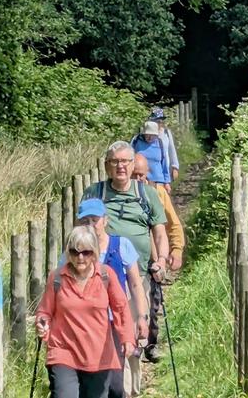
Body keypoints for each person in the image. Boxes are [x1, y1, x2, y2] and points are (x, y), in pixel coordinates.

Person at [82, 141, 169, 397]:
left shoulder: (147, 195)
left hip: (135, 275)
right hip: (95, 277)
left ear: (133, 165)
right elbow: (80, 230)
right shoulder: (94, 193)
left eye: (125, 161)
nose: (120, 166)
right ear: (107, 166)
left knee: (130, 334)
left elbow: (160, 232)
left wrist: (161, 260)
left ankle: (128, 390)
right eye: (114, 162)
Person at [59, 198, 150, 398]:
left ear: (105, 220)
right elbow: (58, 286)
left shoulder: (121, 245)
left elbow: (135, 284)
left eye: (95, 219)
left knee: (116, 385)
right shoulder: (71, 254)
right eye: (85, 221)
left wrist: (141, 317)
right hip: (81, 327)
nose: (90, 225)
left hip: (113, 324)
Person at [35, 225, 135, 398]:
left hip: (98, 356)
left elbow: (121, 308)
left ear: (94, 253)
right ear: (68, 252)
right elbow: (45, 311)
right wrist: (42, 323)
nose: (80, 257)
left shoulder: (105, 275)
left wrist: (127, 339)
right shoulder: (57, 277)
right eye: (74, 252)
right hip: (63, 352)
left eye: (86, 252)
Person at [132, 153, 185, 363]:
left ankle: (151, 345)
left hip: (152, 261)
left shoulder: (158, 193)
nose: (138, 180)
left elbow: (173, 224)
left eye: (141, 175)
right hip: (128, 261)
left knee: (153, 305)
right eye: (134, 175)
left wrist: (176, 250)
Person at [131, 121, 171, 193]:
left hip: (158, 181)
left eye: (152, 135)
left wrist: (167, 182)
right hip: (140, 179)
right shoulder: (136, 141)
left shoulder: (160, 143)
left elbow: (164, 164)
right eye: (147, 135)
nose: (150, 137)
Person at [148, 107, 180, 182]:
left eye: (161, 121)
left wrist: (175, 167)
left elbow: (172, 150)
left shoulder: (166, 133)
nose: (160, 123)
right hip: (151, 169)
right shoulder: (147, 134)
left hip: (165, 169)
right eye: (157, 121)